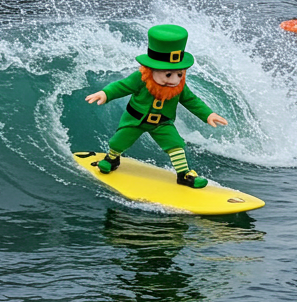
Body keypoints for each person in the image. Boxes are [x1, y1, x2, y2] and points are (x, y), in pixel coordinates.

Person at [85, 24, 228, 189]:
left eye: (179, 74)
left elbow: (191, 100)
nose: (174, 80)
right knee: (119, 141)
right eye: (168, 74)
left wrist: (208, 114)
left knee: (176, 145)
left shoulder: (178, 85)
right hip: (135, 119)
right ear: (151, 68)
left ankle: (184, 176)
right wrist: (105, 93)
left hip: (163, 123)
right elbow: (121, 86)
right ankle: (112, 159)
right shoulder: (140, 78)